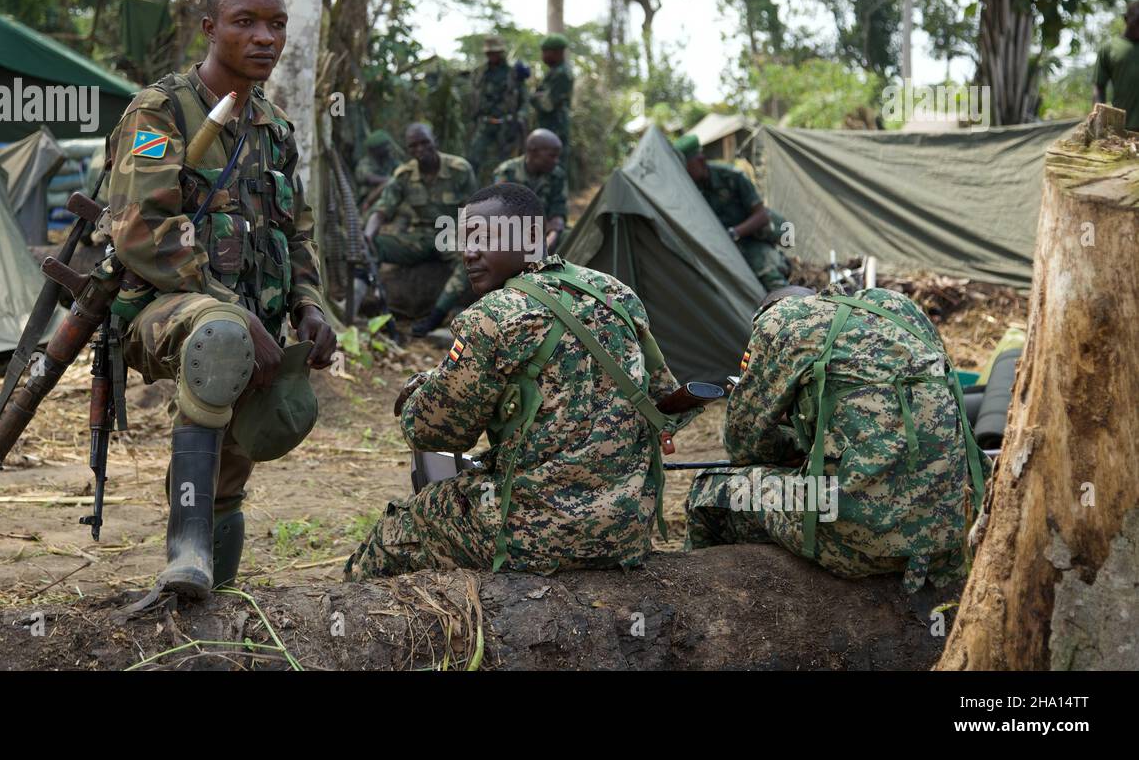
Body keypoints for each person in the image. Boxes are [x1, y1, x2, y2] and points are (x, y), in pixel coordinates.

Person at [105, 0, 336, 599]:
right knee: (222, 337)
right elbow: (142, 227)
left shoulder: (275, 128)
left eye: (276, 25)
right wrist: (233, 313)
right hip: (163, 315)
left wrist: (310, 307)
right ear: (210, 29)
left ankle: (212, 594)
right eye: (245, 23)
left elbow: (297, 231)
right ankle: (187, 549)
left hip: (247, 328)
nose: (265, 37)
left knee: (241, 454)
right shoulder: (159, 113)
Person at [345, 182, 682, 581]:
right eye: (464, 240)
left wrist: (421, 388)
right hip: (626, 529)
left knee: (394, 530)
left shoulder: (494, 316)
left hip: (534, 531)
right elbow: (666, 400)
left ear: (533, 238)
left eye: (483, 238)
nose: (469, 252)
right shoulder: (616, 293)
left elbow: (432, 434)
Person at [683, 285, 989, 593]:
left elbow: (744, 446)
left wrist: (790, 443)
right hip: (954, 529)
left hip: (861, 541)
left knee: (709, 489)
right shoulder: (899, 308)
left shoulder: (781, 321)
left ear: (765, 314)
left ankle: (708, 605)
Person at [364, 123, 477, 336]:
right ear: (408, 149)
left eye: (424, 142)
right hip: (418, 237)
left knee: (469, 259)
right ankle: (359, 307)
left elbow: (472, 211)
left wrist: (468, 240)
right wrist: (369, 234)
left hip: (450, 233)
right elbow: (382, 210)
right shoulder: (404, 174)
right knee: (370, 246)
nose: (419, 149)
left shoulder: (459, 169)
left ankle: (435, 317)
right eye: (413, 146)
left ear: (435, 140)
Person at [675, 133, 789, 291]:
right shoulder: (689, 189)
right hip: (720, 251)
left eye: (687, 166)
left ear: (699, 161)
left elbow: (761, 216)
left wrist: (733, 233)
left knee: (770, 277)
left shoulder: (732, 177)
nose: (684, 172)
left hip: (750, 240)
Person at [493, 128, 567, 252]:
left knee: (569, 237)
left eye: (557, 156)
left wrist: (549, 241)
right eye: (551, 156)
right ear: (533, 152)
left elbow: (558, 211)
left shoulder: (556, 175)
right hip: (511, 232)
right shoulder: (507, 172)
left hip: (544, 234)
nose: (556, 161)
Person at [467, 35, 527, 182]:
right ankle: (471, 195)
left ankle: (506, 197)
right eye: (489, 53)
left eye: (495, 52)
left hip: (506, 125)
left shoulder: (513, 73)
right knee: (473, 159)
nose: (492, 55)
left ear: (501, 52)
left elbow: (524, 100)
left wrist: (520, 117)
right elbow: (472, 98)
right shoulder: (479, 73)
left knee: (506, 164)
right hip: (485, 123)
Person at [1093, 0, 1139, 131]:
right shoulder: (1109, 49)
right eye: (1137, 21)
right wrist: (1098, 117)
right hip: (1121, 128)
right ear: (1126, 19)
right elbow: (1099, 86)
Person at [530, 33, 573, 155]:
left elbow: (547, 104)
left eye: (546, 52)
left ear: (557, 53)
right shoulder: (554, 71)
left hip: (555, 128)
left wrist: (533, 97)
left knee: (553, 164)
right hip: (549, 127)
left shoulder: (562, 74)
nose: (543, 56)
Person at [353, 129, 401, 214]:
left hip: (390, 200)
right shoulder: (365, 163)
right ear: (374, 150)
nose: (388, 148)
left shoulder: (390, 161)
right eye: (384, 146)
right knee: (390, 183)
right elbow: (370, 178)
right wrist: (391, 180)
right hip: (368, 202)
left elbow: (402, 170)